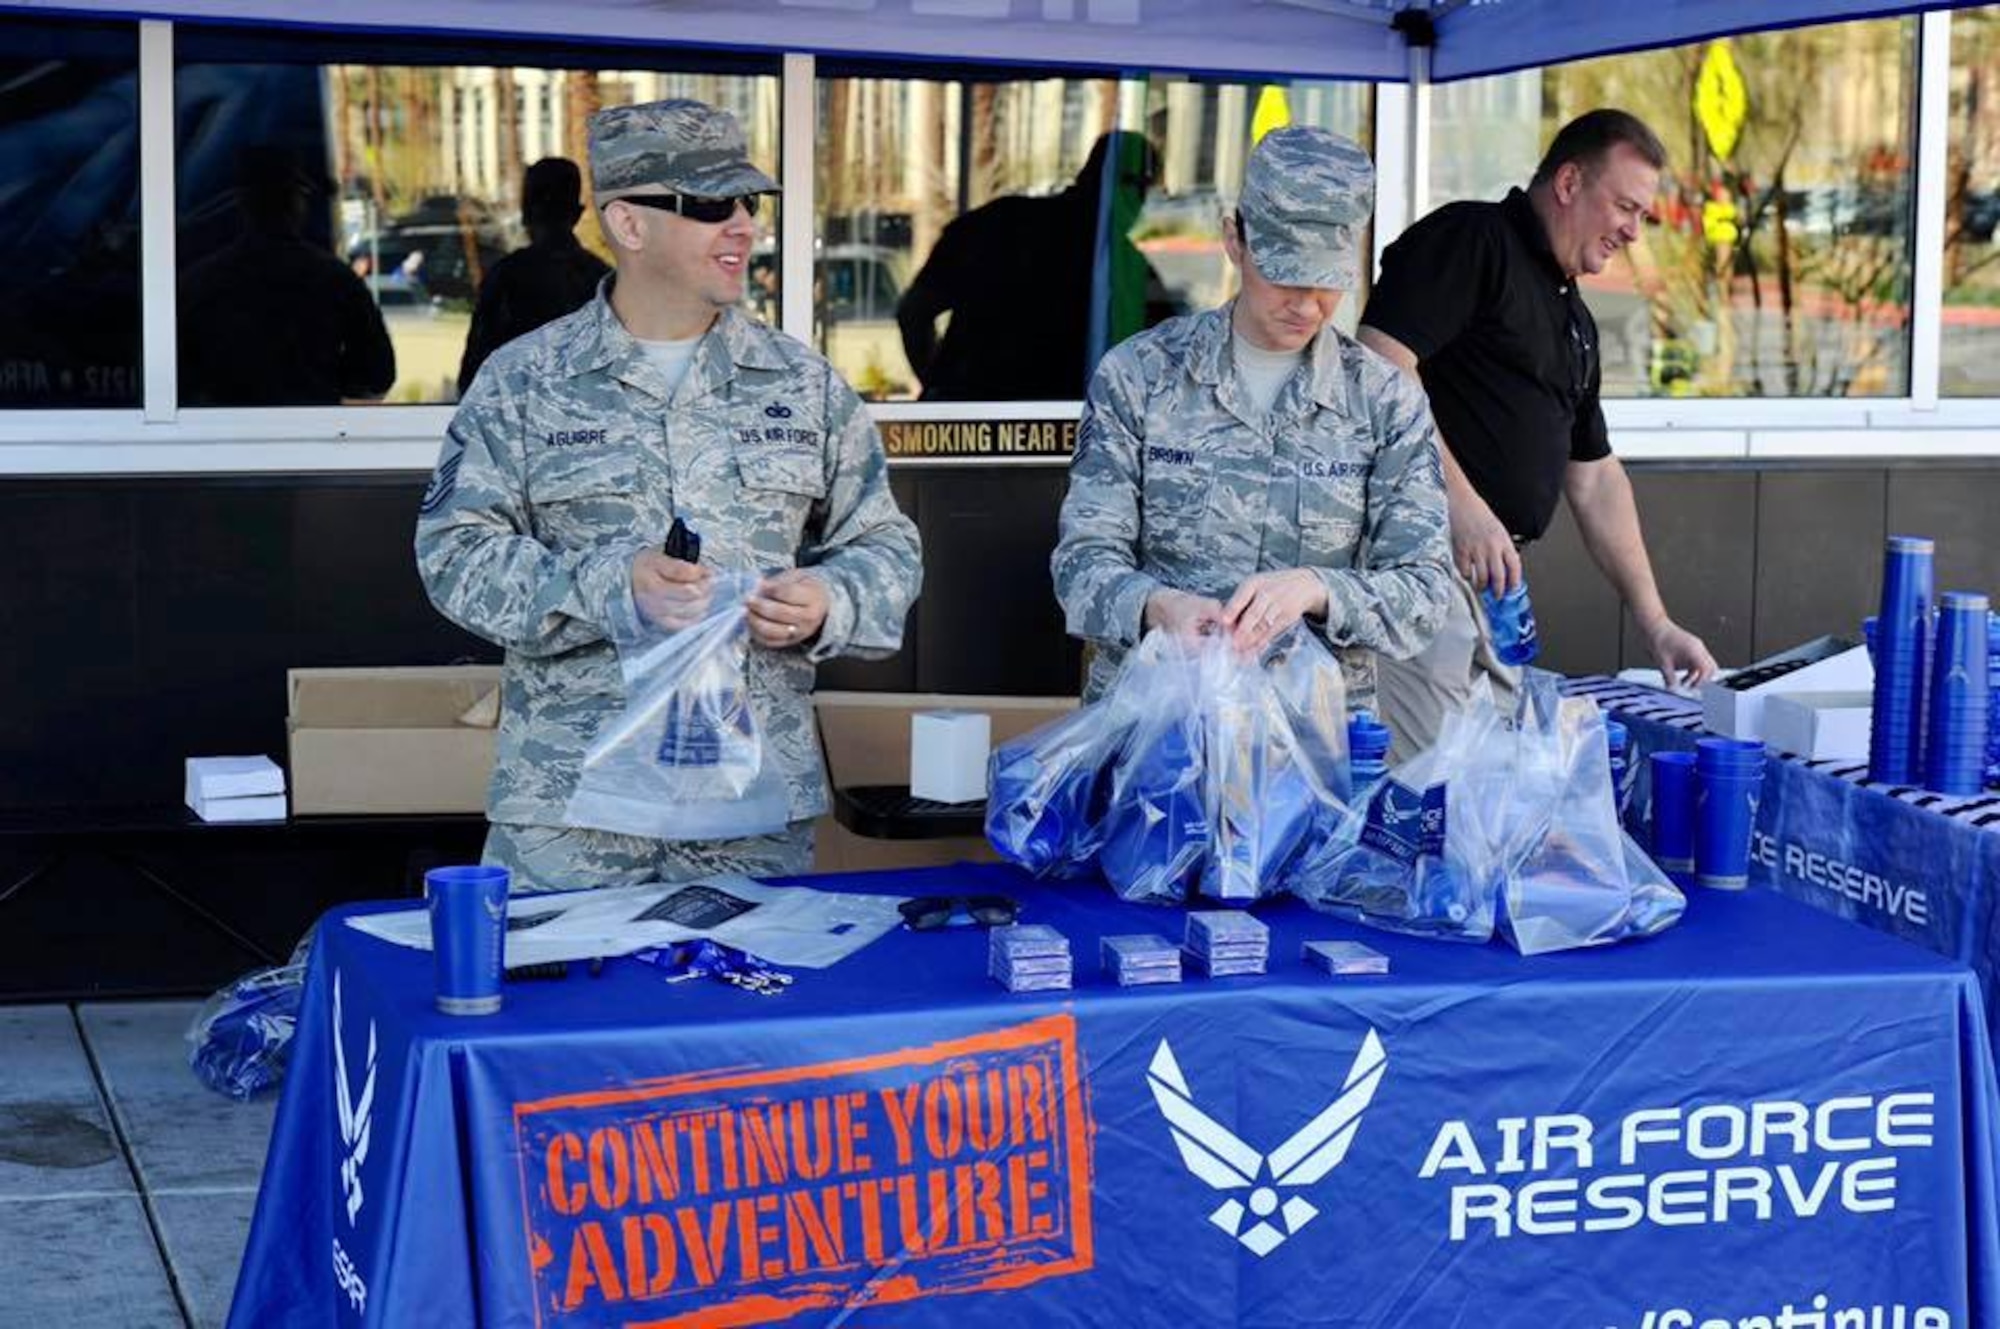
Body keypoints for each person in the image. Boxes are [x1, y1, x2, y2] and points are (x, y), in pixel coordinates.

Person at [414, 99, 922, 893]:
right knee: (566, 1014)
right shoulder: (523, 382)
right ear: (628, 223)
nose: (744, 226)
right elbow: (453, 552)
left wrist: (829, 598)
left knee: (744, 1016)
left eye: (750, 204)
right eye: (711, 205)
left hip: (749, 814)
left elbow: (885, 545)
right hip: (573, 816)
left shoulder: (803, 385)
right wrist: (610, 585)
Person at [1052, 126, 1453, 717]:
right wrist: (1158, 607)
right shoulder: (1140, 377)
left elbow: (1423, 591)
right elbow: (1081, 563)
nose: (1307, 304)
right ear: (1234, 238)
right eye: (1286, 276)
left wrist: (1318, 589)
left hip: (1313, 745)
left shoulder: (1384, 400)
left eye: (1328, 284)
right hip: (1156, 736)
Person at [1359, 109, 1718, 757]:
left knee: (1483, 794)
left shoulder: (1574, 316)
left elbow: (1596, 477)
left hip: (1496, 593)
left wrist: (1655, 621)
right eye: (1626, 207)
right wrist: (1462, 508)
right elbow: (1381, 362)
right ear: (1570, 182)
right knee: (1428, 792)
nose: (1634, 231)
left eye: (1643, 216)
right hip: (1414, 565)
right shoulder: (1474, 239)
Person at [897, 130, 1181, 401]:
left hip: (972, 422)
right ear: (1130, 188)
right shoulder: (1121, 266)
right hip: (1058, 426)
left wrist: (942, 389)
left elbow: (914, 312)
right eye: (1148, 193)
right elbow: (1170, 354)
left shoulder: (993, 223)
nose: (1143, 210)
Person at [179, 145, 395, 406]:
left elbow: (174, 376)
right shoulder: (336, 280)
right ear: (297, 203)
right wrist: (321, 378)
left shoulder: (200, 283)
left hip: (218, 436)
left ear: (243, 204)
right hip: (311, 432)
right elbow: (376, 373)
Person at [456, 157, 610, 392]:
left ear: (525, 212)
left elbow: (473, 377)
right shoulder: (604, 282)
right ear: (578, 214)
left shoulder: (506, 278)